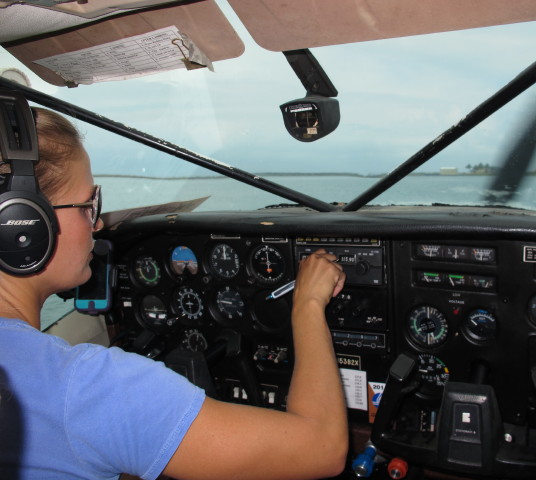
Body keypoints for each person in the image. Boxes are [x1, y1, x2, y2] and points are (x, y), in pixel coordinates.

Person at [0, 106, 348, 479]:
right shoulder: (87, 387)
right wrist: (309, 303)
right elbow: (323, 447)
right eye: (88, 205)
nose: (98, 222)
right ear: (22, 224)